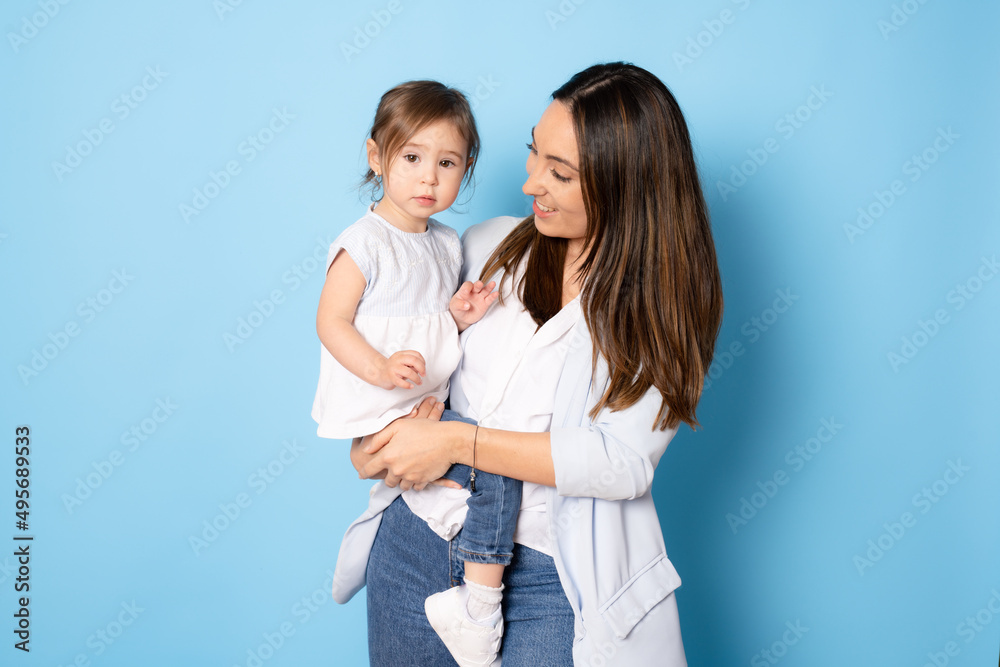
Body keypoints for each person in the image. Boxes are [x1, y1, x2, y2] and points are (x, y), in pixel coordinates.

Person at [333, 62, 723, 666]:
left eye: (560, 173)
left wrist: (457, 444)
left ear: (627, 185)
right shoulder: (485, 246)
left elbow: (619, 461)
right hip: (415, 542)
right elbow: (402, 351)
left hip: (548, 574)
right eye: (533, 154)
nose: (530, 183)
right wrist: (377, 444)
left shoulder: (661, 307)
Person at [313, 80, 523, 666]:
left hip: (422, 404)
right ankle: (480, 608)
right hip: (383, 404)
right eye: (411, 158)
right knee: (493, 466)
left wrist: (457, 317)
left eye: (447, 162)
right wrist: (378, 367)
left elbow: (428, 327)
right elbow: (332, 323)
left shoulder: (448, 243)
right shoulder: (365, 243)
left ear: (467, 168)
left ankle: (436, 561)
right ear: (377, 157)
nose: (428, 178)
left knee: (483, 466)